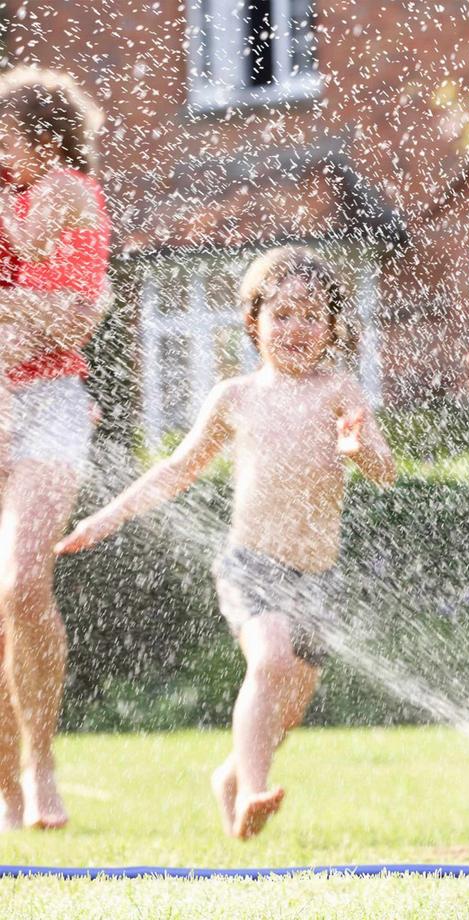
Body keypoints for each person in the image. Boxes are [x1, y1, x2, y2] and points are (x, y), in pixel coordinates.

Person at [56, 246, 396, 840]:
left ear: (332, 328)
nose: (296, 328)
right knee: (269, 660)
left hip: (317, 574)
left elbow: (386, 469)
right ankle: (253, 792)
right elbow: (175, 469)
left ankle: (233, 775)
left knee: (289, 704)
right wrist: (102, 519)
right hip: (251, 565)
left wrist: (358, 449)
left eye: (312, 316)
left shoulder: (339, 391)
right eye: (282, 314)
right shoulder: (235, 398)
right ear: (253, 322)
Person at [0, 67, 110, 831]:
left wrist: (45, 309)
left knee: (20, 584)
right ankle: (7, 790)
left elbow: (68, 322)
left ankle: (41, 765)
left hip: (48, 403)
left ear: (42, 136)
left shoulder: (65, 189)